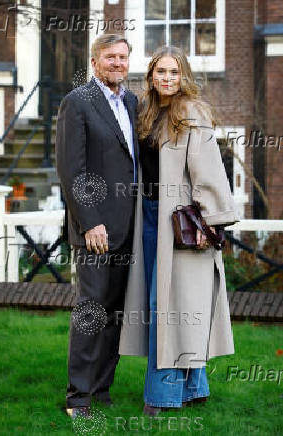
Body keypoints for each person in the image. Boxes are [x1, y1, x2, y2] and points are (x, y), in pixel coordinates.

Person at [118, 46, 240, 416]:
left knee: (169, 307)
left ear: (183, 75)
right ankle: (194, 386)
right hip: (150, 216)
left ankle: (161, 395)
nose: (167, 78)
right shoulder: (146, 112)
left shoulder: (192, 113)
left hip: (183, 222)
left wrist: (209, 221)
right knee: (176, 304)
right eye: (160, 72)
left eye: (174, 72)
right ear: (151, 76)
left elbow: (209, 172)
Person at [55, 34, 139, 418]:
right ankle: (78, 398)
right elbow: (72, 170)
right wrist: (91, 222)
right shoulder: (78, 103)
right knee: (91, 310)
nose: (117, 63)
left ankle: (102, 389)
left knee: (117, 313)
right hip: (97, 231)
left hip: (130, 228)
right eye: (110, 57)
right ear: (94, 62)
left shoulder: (133, 103)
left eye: (123, 57)